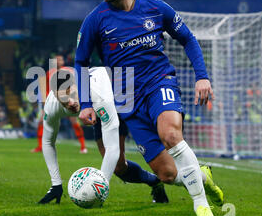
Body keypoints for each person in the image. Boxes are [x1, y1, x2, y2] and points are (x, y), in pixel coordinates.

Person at [75, 0, 224, 216]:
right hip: (127, 100)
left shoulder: (156, 8)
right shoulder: (95, 20)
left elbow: (188, 39)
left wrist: (202, 76)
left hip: (159, 83)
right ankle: (203, 177)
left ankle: (201, 205)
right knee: (167, 175)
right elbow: (80, 62)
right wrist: (85, 104)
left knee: (170, 134)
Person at [38, 67, 168, 204]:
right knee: (119, 168)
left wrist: (98, 191)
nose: (70, 103)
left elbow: (112, 148)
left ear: (80, 87)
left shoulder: (98, 95)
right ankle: (155, 181)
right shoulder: (52, 105)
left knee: (159, 167)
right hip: (97, 107)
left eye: (73, 94)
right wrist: (56, 184)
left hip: (118, 97)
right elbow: (47, 142)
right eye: (64, 100)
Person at [31, 55, 87, 154]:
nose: (58, 61)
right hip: (53, 102)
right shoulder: (49, 73)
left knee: (74, 122)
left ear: (63, 61)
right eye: (57, 60)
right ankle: (40, 146)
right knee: (41, 122)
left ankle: (83, 147)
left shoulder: (68, 71)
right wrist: (45, 102)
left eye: (60, 59)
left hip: (67, 100)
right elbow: (46, 88)